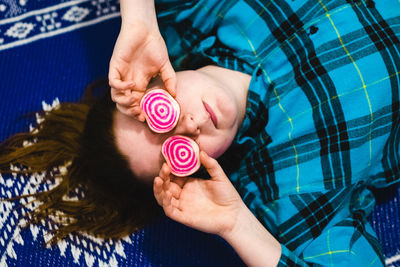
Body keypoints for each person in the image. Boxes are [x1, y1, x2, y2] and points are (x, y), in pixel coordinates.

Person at [1, 0, 399, 266]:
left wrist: (138, 21)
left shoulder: (193, 14)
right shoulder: (288, 190)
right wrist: (237, 225)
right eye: (175, 149)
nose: (189, 126)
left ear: (151, 81)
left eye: (158, 117)